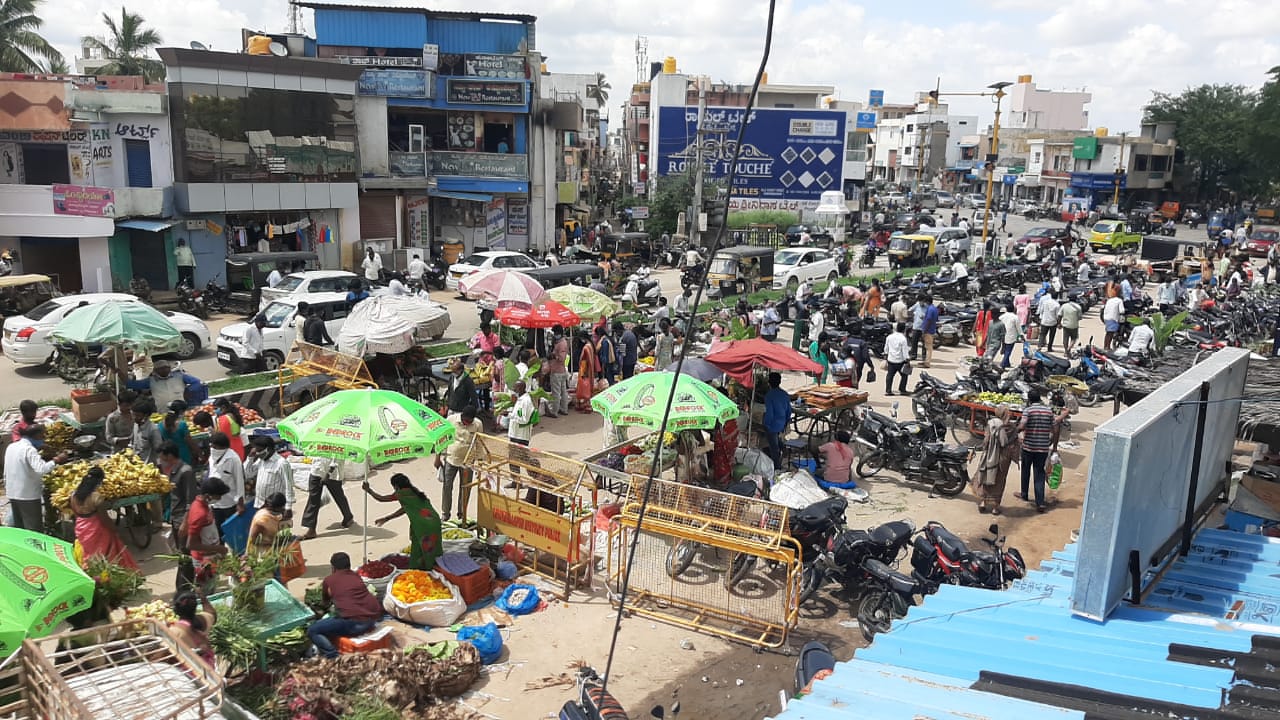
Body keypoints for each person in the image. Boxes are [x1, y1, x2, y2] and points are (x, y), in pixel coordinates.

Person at [307, 552, 384, 659]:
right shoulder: (356, 576)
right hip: (372, 620)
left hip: (355, 624)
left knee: (312, 630)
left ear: (333, 568)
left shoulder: (329, 580)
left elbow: (325, 602)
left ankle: (332, 655)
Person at [364, 474, 442, 571]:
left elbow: (381, 499)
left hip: (423, 525)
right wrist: (386, 518)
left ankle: (422, 569)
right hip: (434, 521)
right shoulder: (414, 492)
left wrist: (369, 490)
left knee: (420, 547)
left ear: (396, 486)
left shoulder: (401, 493)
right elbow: (404, 509)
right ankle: (436, 566)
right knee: (433, 546)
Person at [4, 425, 68, 531]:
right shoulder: (29, 450)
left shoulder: (11, 446)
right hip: (28, 495)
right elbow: (41, 469)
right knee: (33, 527)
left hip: (12, 492)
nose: (43, 439)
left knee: (20, 526)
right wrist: (57, 460)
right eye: (42, 436)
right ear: (37, 435)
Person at [182, 477, 230, 592]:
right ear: (209, 495)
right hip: (203, 560)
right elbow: (191, 544)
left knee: (211, 587)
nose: (220, 499)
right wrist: (218, 548)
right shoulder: (200, 513)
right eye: (218, 496)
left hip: (211, 556)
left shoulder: (204, 505)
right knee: (206, 592)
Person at [1018, 390, 1059, 513]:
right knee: (1039, 474)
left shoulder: (1028, 410)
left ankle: (1024, 494)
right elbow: (1056, 429)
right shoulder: (1048, 411)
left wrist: (1014, 431)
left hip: (1028, 447)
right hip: (1042, 448)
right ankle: (1040, 503)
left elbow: (1022, 425)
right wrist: (1054, 446)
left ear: (1029, 400)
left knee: (1025, 470)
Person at [439, 406, 482, 523]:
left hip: (468, 462)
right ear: (462, 416)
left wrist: (480, 464)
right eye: (465, 421)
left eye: (469, 422)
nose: (467, 423)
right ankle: (445, 513)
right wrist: (438, 457)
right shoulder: (451, 420)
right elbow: (442, 438)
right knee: (447, 487)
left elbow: (480, 444)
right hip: (451, 459)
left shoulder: (478, 424)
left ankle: (461, 513)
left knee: (465, 488)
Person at [973, 405, 1018, 515]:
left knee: (986, 476)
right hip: (1003, 457)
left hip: (989, 455)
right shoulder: (1011, 427)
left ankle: (983, 502)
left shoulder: (991, 423)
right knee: (999, 481)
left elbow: (986, 440)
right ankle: (995, 507)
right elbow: (1007, 443)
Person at [298, 455, 355, 540]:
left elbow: (338, 457)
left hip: (333, 473)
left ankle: (348, 517)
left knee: (338, 496)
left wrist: (328, 473)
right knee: (313, 498)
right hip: (317, 469)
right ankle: (311, 529)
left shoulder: (338, 442)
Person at [205, 431, 245, 538]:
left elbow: (239, 480)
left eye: (214, 446)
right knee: (218, 529)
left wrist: (240, 503)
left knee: (232, 529)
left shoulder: (233, 459)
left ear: (221, 447)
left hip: (229, 501)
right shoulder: (212, 456)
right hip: (214, 502)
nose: (211, 448)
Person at [245, 435, 294, 518]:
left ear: (268, 449)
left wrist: (288, 508)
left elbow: (288, 486)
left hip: (275, 507)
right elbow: (248, 473)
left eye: (259, 450)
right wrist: (250, 457)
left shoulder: (281, 463)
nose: (257, 453)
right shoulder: (261, 461)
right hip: (260, 505)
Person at [170, 590, 217, 668]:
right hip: (208, 671)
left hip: (190, 675)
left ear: (175, 609)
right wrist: (203, 598)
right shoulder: (203, 621)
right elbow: (212, 614)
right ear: (195, 606)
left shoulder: (175, 631)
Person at [762, 372, 791, 471]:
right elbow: (789, 410)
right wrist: (786, 422)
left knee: (774, 447)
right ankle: (783, 448)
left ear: (769, 382)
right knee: (774, 438)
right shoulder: (785, 394)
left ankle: (777, 467)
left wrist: (766, 424)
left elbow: (769, 413)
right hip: (782, 422)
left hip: (773, 424)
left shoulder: (769, 396)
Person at [130, 398, 164, 465]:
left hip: (148, 465)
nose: (134, 417)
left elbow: (159, 450)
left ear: (146, 416)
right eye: (133, 415)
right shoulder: (136, 425)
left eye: (137, 415)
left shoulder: (153, 429)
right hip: (135, 463)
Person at [546, 327, 571, 417]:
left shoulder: (561, 344)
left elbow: (561, 358)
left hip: (557, 371)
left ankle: (554, 411)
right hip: (561, 370)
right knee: (563, 391)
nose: (554, 335)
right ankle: (564, 409)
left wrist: (553, 356)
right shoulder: (561, 342)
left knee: (556, 392)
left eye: (555, 333)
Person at [575, 330, 600, 413]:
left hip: (585, 369)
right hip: (591, 369)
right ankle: (588, 405)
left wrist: (582, 372)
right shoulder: (591, 345)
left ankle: (585, 405)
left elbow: (583, 361)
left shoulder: (586, 347)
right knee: (589, 387)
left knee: (584, 388)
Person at [883, 322, 911, 395]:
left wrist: (885, 357)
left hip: (891, 360)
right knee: (904, 375)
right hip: (900, 361)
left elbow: (886, 348)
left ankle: (888, 390)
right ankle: (902, 389)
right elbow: (905, 352)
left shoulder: (889, 337)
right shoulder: (903, 339)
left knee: (890, 375)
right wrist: (908, 361)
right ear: (904, 329)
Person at [507, 380, 536, 448]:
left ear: (519, 389)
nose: (513, 389)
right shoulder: (520, 399)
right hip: (515, 434)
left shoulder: (526, 401)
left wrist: (509, 415)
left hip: (520, 437)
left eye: (515, 388)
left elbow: (524, 420)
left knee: (519, 456)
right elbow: (518, 413)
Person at [920, 295, 939, 368]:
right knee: (928, 346)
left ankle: (927, 362)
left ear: (927, 302)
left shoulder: (930, 309)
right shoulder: (934, 309)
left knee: (928, 347)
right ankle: (926, 361)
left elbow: (928, 320)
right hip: (932, 329)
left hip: (928, 330)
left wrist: (924, 330)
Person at [909, 296, 928, 360]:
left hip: (924, 328)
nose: (921, 303)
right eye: (920, 302)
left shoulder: (927, 307)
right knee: (914, 342)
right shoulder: (917, 305)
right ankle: (913, 355)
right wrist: (912, 316)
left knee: (924, 343)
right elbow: (910, 310)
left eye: (922, 302)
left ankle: (924, 356)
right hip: (916, 327)